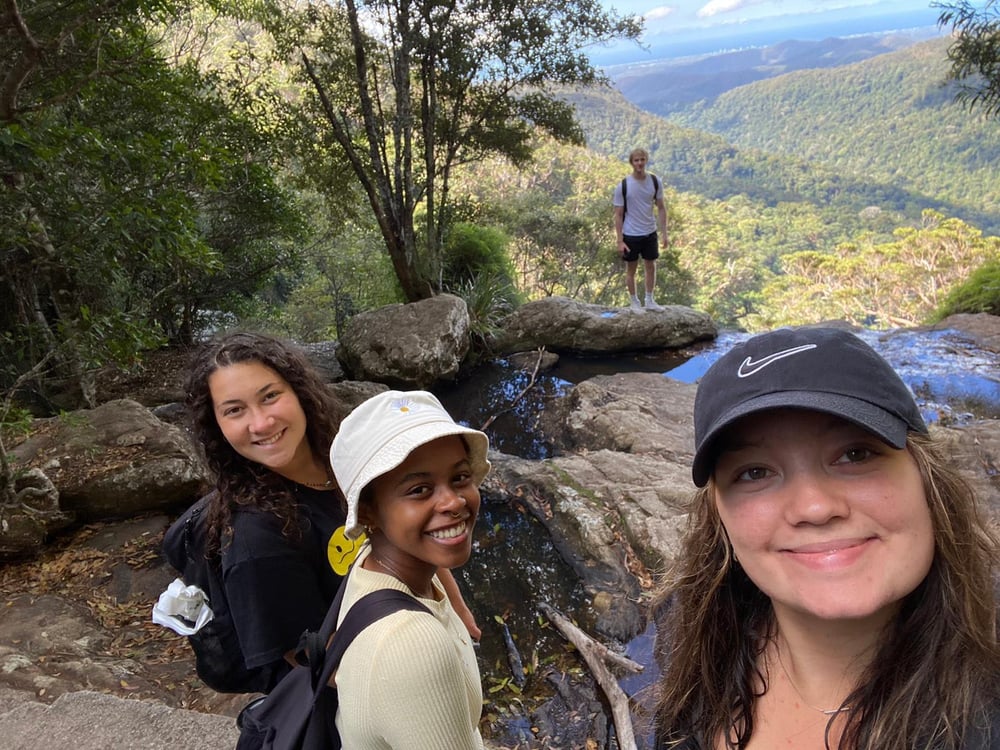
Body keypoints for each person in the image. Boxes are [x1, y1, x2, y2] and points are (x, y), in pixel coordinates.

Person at [652, 327, 1000, 750]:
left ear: (927, 479)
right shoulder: (693, 637)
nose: (814, 508)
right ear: (720, 517)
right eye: (755, 472)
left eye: (855, 454)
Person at [182, 332, 479, 692]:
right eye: (234, 410)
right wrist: (423, 681)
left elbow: (414, 533)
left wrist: (455, 610)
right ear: (217, 426)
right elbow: (315, 664)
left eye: (270, 396)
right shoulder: (256, 542)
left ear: (298, 392)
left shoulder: (344, 457)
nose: (260, 423)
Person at [329, 389, 489, 749]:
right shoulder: (412, 646)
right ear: (368, 512)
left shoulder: (371, 564)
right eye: (419, 489)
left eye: (461, 477)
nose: (453, 502)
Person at [613, 147, 669, 312]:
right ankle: (634, 302)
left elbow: (661, 208)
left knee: (650, 265)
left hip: (650, 231)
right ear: (632, 163)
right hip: (631, 233)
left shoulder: (654, 181)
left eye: (642, 159)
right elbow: (618, 214)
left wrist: (664, 233)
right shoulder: (623, 186)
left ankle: (649, 300)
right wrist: (620, 240)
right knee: (631, 269)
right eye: (636, 160)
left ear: (646, 160)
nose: (639, 163)